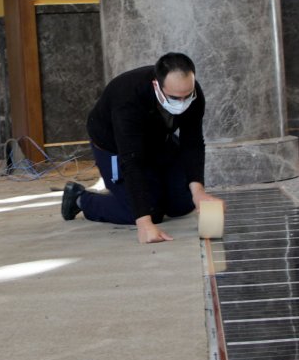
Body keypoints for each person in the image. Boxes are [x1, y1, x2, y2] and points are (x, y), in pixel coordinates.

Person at [61, 52, 222, 244]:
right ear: (157, 86)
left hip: (159, 143)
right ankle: (80, 199)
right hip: (116, 148)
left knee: (182, 204)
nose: (183, 103)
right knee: (145, 211)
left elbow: (192, 142)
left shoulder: (193, 94)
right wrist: (144, 223)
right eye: (174, 98)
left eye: (187, 96)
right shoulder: (127, 97)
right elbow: (131, 160)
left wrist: (199, 192)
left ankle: (145, 192)